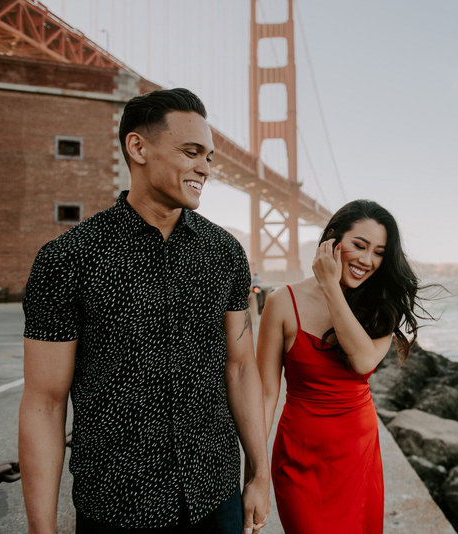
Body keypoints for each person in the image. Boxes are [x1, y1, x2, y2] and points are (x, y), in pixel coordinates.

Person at [19, 88, 270, 534]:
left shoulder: (226, 253)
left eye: (209, 158)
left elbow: (241, 367)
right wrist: (43, 530)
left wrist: (259, 473)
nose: (205, 169)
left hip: (215, 495)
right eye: (191, 152)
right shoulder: (67, 259)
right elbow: (44, 404)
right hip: (117, 507)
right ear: (137, 148)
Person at [256, 199, 428, 533]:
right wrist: (256, 475)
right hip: (299, 457)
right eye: (359, 245)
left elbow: (363, 362)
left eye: (379, 252)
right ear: (332, 240)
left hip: (357, 453)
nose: (367, 260)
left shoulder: (382, 305)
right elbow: (264, 395)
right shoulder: (281, 303)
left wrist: (331, 289)